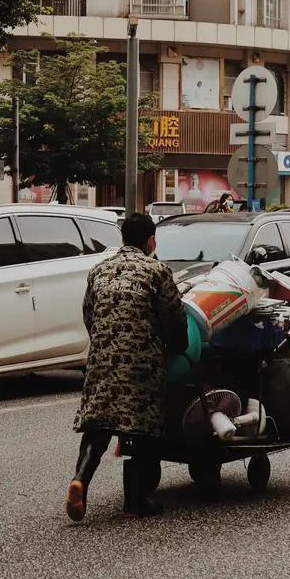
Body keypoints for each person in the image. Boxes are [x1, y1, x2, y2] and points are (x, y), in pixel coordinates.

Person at [65, 212, 188, 522]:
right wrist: (178, 349)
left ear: (122, 239)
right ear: (150, 241)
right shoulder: (156, 270)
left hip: (102, 360)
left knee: (99, 424)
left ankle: (80, 479)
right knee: (144, 426)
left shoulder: (99, 269)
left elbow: (89, 314)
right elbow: (174, 319)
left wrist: (105, 345)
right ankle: (137, 500)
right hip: (141, 361)